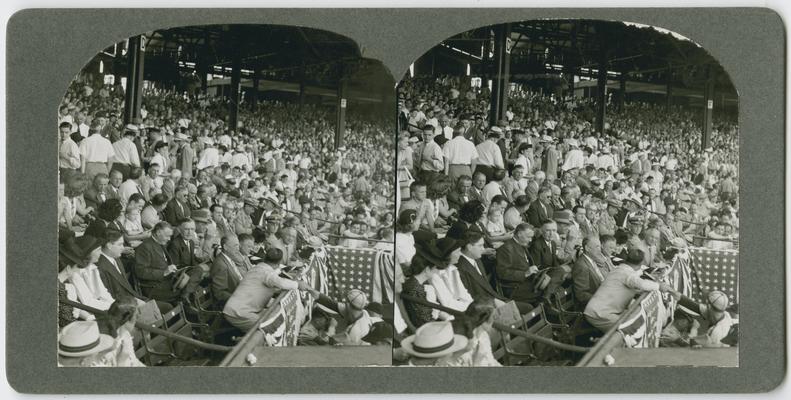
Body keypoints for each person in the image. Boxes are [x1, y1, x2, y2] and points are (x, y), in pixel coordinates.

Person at [222, 248, 314, 332]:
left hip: (239, 309)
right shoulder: (267, 273)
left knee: (273, 318)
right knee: (269, 328)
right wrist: (298, 284)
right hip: (238, 313)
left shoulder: (258, 267)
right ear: (279, 263)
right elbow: (281, 283)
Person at [584, 248, 676, 332]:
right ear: (641, 264)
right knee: (629, 329)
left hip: (601, 311)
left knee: (633, 319)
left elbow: (632, 285)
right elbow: (642, 284)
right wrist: (660, 286)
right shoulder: (627, 274)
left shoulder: (620, 268)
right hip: (599, 314)